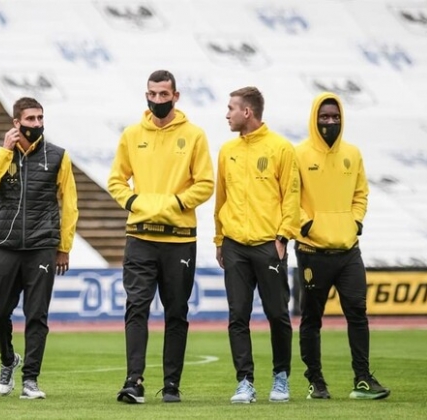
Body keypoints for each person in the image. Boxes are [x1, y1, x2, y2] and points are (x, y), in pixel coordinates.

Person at [108, 69, 214, 404]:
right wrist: (134, 203)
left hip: (179, 239)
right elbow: (116, 181)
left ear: (175, 96)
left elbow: (206, 184)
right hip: (139, 236)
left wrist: (177, 203)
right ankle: (133, 382)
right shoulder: (131, 135)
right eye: (152, 94)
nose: (157, 100)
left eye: (164, 95)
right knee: (136, 308)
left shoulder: (194, 135)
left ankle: (171, 385)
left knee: (176, 312)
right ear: (146, 95)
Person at [0, 97, 78, 400]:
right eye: (30, 119)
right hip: (6, 246)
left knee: (37, 315)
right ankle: (8, 359)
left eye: (40, 118)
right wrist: (5, 153)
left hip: (42, 246)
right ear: (16, 123)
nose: (37, 124)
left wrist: (64, 247)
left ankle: (30, 380)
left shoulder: (58, 156)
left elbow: (70, 205)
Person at [295, 92, 390, 400]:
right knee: (312, 319)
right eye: (324, 117)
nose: (330, 122)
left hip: (349, 251)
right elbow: (288, 198)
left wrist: (356, 223)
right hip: (312, 252)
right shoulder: (298, 154)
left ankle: (362, 380)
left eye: (335, 117)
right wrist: (306, 225)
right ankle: (316, 382)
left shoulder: (353, 153)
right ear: (314, 119)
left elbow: (361, 194)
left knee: (358, 313)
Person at [214, 86, 300, 404]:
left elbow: (292, 196)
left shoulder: (281, 148)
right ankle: (245, 382)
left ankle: (281, 377)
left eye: (231, 108)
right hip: (234, 245)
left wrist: (283, 236)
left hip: (269, 244)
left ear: (247, 112)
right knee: (238, 315)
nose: (227, 114)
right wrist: (220, 239)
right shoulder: (227, 151)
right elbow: (221, 199)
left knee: (277, 314)